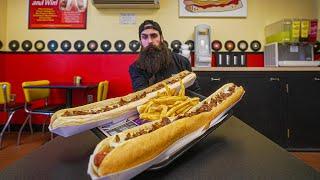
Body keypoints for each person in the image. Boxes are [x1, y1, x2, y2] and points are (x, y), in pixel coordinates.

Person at [129, 20, 201, 93]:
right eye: (144, 37)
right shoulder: (136, 68)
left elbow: (195, 91)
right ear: (140, 41)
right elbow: (142, 95)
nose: (150, 41)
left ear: (162, 38)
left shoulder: (181, 61)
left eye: (154, 36)